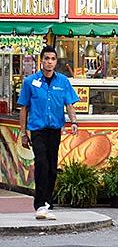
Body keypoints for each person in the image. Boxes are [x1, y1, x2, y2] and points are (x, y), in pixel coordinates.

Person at [18, 45, 79, 220]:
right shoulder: (30, 82)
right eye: (46, 58)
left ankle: (47, 204)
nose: (49, 62)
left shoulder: (63, 82)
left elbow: (69, 104)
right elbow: (24, 108)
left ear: (56, 62)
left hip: (55, 130)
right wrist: (23, 133)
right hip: (37, 130)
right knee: (42, 164)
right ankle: (40, 204)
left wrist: (74, 121)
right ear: (41, 60)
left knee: (52, 167)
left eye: (53, 59)